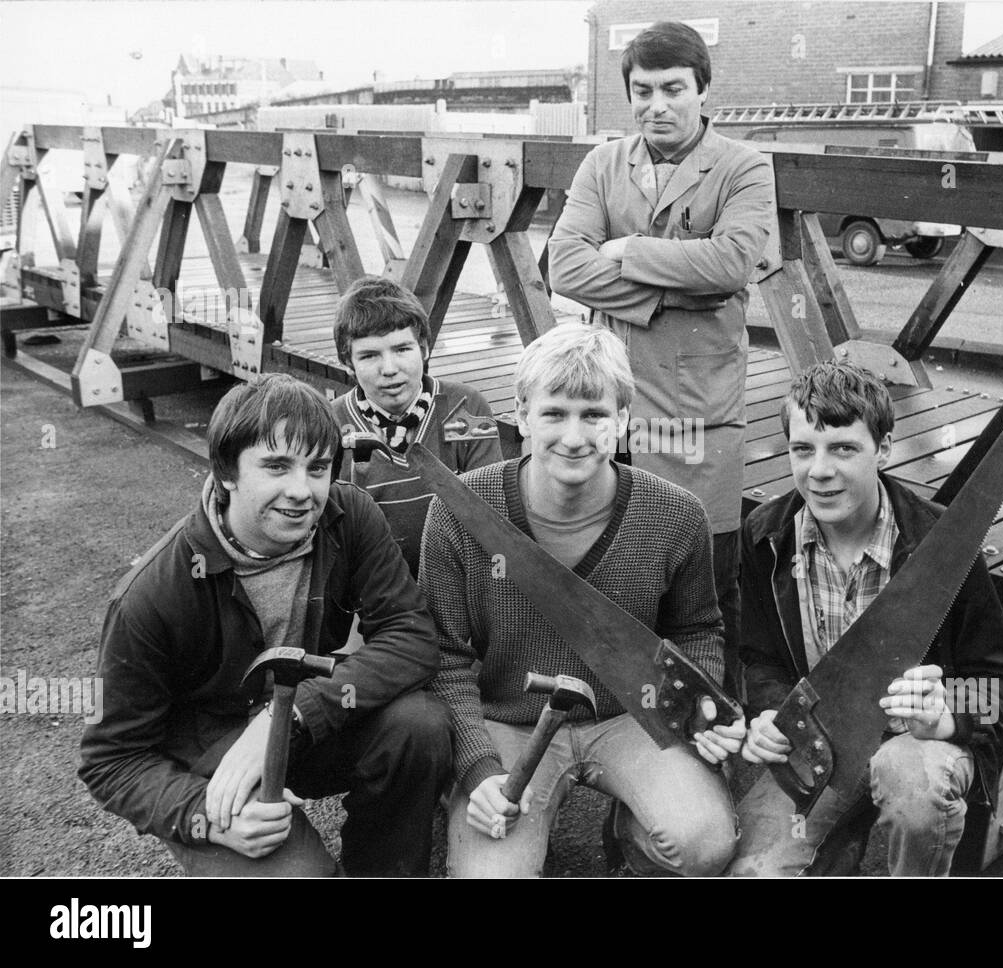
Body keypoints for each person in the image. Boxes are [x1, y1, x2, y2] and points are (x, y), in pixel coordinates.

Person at [80, 374, 453, 876]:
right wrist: (200, 817)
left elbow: (411, 635)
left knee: (419, 725)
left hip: (306, 726)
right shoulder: (151, 596)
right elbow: (111, 761)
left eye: (317, 467)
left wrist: (296, 714)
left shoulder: (351, 514)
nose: (301, 491)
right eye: (276, 466)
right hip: (216, 763)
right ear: (226, 471)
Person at [419, 323, 746, 877]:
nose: (574, 436)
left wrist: (700, 705)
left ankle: (631, 834)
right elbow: (446, 659)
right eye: (554, 414)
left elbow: (695, 630)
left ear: (622, 421)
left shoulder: (676, 514)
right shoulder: (458, 512)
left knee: (704, 842)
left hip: (629, 719)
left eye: (594, 415)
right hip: (510, 724)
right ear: (522, 415)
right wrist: (477, 770)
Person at [548, 20, 775, 700]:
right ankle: (618, 708)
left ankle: (711, 715)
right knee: (612, 561)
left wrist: (625, 252)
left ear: (703, 90)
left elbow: (736, 259)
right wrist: (675, 287)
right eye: (642, 91)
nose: (658, 106)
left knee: (706, 576)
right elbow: (563, 263)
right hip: (612, 401)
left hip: (697, 410)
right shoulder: (602, 163)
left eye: (674, 88)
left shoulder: (743, 165)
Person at [728, 362, 1003, 876]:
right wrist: (772, 715)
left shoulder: (942, 543)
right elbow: (760, 659)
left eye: (844, 448)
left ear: (883, 449)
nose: (819, 471)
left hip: (912, 746)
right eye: (803, 450)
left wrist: (946, 713)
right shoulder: (764, 535)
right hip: (820, 750)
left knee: (914, 785)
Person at [331, 274, 502, 576]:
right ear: (348, 363)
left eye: (402, 349)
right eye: (369, 355)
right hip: (373, 585)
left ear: (424, 348)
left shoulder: (466, 407)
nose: (389, 369)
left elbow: (490, 515)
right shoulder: (332, 422)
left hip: (456, 576)